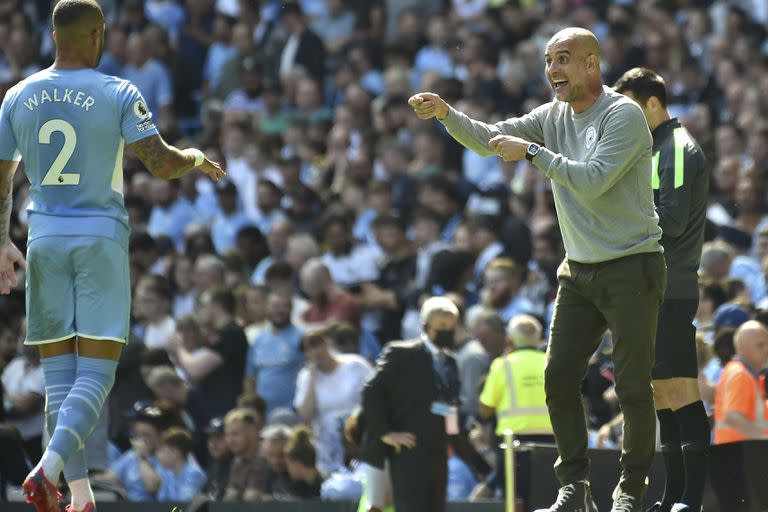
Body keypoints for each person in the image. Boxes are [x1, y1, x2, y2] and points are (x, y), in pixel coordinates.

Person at [410, 27, 666, 512]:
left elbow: (592, 180)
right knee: (557, 378)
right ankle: (575, 487)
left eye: (563, 60)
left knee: (632, 386)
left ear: (592, 63)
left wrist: (531, 153)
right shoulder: (551, 115)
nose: (552, 71)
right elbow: (490, 140)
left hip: (633, 265)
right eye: (549, 61)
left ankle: (631, 489)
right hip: (580, 270)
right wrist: (446, 114)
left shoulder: (624, 115)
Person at [0, 2, 225, 511]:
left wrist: (1, 242)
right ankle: (47, 470)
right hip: (99, 238)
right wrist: (195, 158)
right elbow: (162, 164)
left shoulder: (17, 94)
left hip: (43, 238)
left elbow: (1, 180)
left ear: (53, 35)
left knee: (60, 380)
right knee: (97, 376)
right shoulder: (118, 90)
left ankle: (78, 498)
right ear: (98, 34)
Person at [613, 68, 711, 512]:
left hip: (671, 284)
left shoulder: (675, 147)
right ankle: (673, 496)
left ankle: (691, 499)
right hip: (652, 285)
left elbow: (670, 220)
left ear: (653, 103)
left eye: (631, 105)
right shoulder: (654, 147)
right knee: (660, 393)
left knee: (681, 390)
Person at [361, 296, 461, 512]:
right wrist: (385, 432)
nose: (448, 332)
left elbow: (448, 405)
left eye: (452, 327)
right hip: (408, 451)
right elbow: (371, 390)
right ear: (425, 326)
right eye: (441, 327)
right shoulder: (401, 353)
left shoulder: (451, 362)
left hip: (438, 452)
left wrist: (453, 438)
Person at [475, 314, 554, 502]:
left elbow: (485, 409)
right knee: (548, 498)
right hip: (553, 442)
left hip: (514, 445)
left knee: (514, 500)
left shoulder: (502, 365)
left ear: (509, 339)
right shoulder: (553, 362)